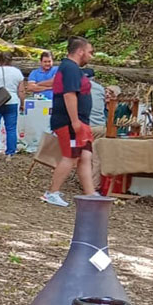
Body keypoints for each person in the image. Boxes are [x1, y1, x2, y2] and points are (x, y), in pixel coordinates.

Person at [42, 36, 97, 207]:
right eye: (90, 52)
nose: (91, 56)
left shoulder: (69, 68)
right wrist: (75, 121)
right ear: (80, 52)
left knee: (85, 155)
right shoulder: (70, 68)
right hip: (70, 121)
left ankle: (90, 193)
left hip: (81, 120)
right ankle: (52, 192)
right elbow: (69, 94)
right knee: (71, 156)